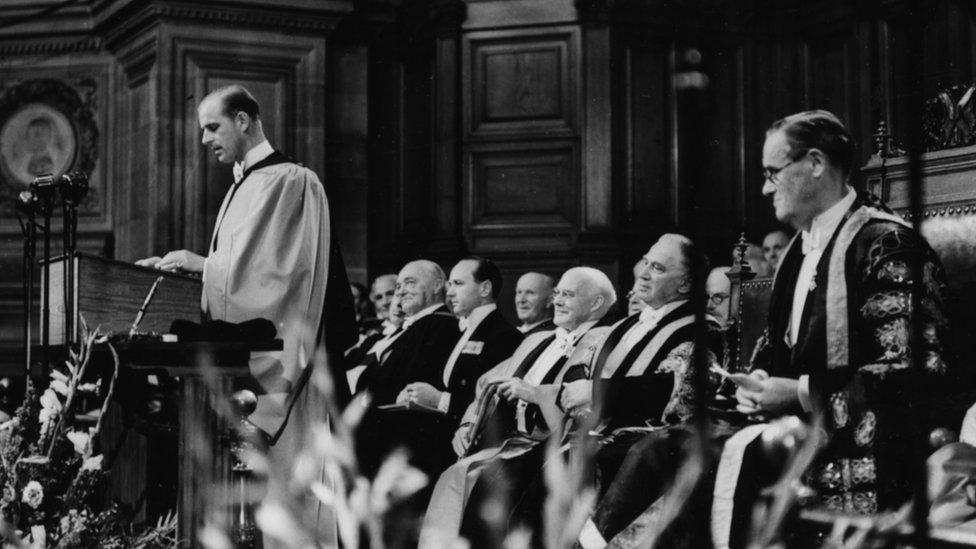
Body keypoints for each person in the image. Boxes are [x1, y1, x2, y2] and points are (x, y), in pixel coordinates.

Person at [136, 84, 356, 443]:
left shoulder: (292, 181)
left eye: (212, 127)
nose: (205, 139)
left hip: (291, 375)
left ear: (242, 120)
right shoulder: (245, 184)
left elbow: (282, 280)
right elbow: (239, 269)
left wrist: (203, 266)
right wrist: (174, 274)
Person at [419, 267, 616, 549]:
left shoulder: (605, 342)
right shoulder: (538, 339)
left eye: (568, 295)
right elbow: (486, 382)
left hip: (551, 449)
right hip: (509, 442)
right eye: (557, 292)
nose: (557, 301)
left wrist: (536, 394)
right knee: (455, 475)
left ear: (596, 303)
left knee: (491, 487)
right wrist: (468, 423)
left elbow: (590, 407)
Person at [354, 260, 461, 477]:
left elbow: (409, 382)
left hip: (406, 447)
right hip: (383, 440)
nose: (400, 291)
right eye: (399, 286)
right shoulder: (413, 326)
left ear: (439, 285)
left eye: (410, 283)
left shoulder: (441, 325)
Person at [398, 257, 523, 433]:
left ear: (485, 288)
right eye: (449, 284)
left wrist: (439, 399)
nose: (449, 292)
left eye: (458, 283)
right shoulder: (460, 331)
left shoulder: (505, 336)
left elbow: (495, 404)